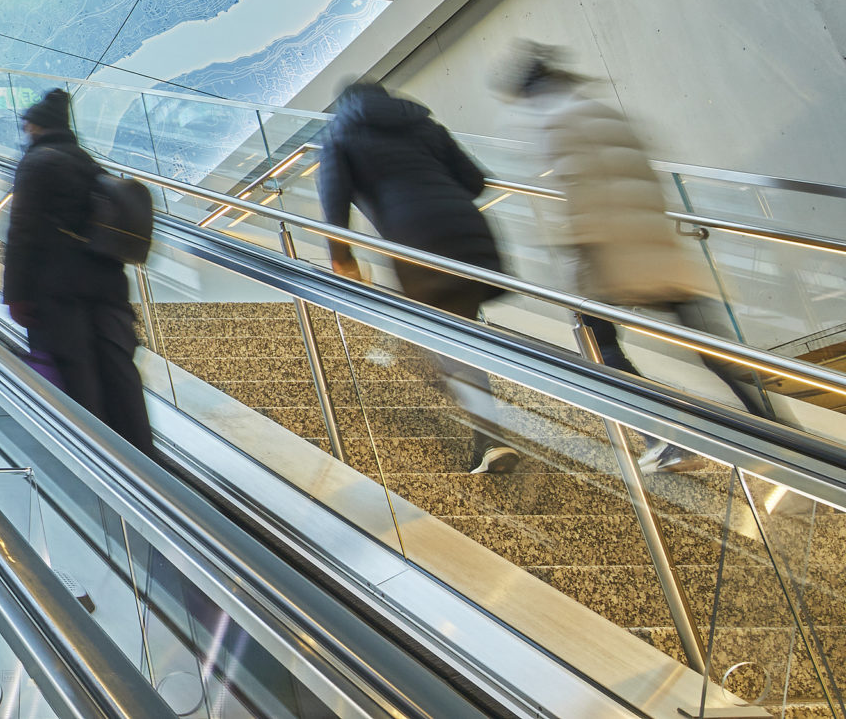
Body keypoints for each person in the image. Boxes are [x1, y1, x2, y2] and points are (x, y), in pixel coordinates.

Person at [499, 44, 803, 469]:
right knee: (712, 350)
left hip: (610, 257)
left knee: (598, 344)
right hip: (658, 250)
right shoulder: (599, 112)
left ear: (530, 91)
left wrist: (576, 258)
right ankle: (790, 439)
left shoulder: (555, 120)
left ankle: (666, 439)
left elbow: (579, 193)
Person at [318, 82, 518, 474]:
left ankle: (490, 436)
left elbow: (334, 206)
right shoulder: (424, 125)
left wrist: (342, 260)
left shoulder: (340, 134)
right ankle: (485, 432)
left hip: (418, 245)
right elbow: (475, 181)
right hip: (471, 236)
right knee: (456, 331)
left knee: (442, 339)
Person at [3, 88, 153, 455]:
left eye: (28, 125)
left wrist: (16, 294)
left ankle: (94, 452)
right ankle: (140, 455)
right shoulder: (87, 162)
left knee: (77, 368)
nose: (26, 131)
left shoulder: (36, 163)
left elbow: (22, 231)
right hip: (107, 284)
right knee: (118, 370)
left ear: (38, 127)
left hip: (58, 288)